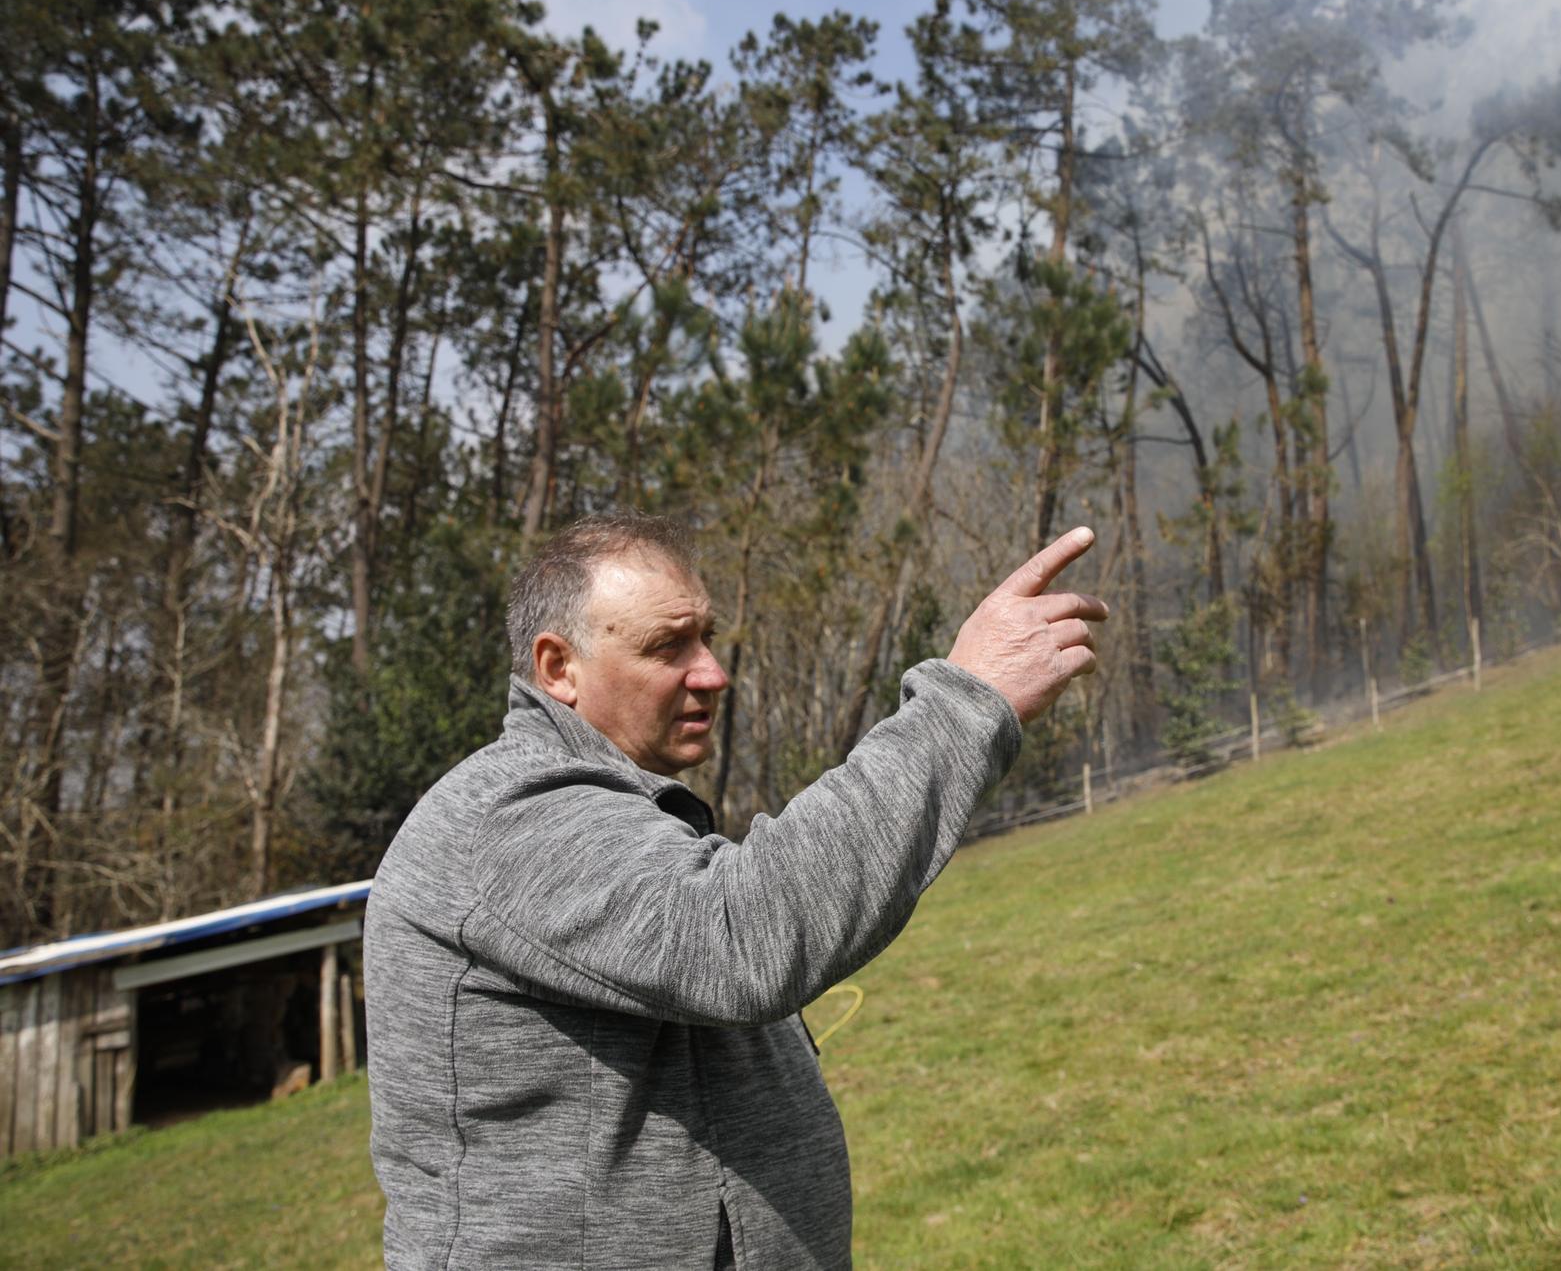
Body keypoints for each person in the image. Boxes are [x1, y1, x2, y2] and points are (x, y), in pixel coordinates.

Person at [364, 511, 1106, 1269]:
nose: (713, 671)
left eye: (707, 636)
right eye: (667, 645)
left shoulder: (603, 806)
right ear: (559, 668)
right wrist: (966, 701)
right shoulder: (513, 815)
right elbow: (741, 934)